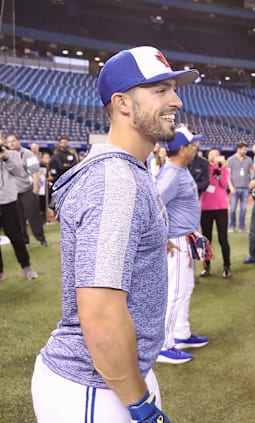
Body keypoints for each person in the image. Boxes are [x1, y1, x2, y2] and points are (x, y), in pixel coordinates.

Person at [31, 45, 198, 423]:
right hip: (94, 386)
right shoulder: (115, 181)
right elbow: (101, 313)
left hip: (114, 379)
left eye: (173, 88)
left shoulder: (128, 170)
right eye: (160, 90)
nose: (176, 99)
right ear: (122, 103)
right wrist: (140, 404)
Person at [155, 126, 210, 364]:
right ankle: (163, 346)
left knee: (185, 289)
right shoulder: (171, 174)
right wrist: (163, 238)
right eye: (192, 145)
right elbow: (152, 205)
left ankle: (181, 333)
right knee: (174, 293)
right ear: (183, 148)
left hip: (185, 237)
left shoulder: (180, 169)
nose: (196, 148)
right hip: (175, 241)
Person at [0, 137, 39, 281]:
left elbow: (20, 173)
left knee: (16, 237)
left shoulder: (13, 155)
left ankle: (26, 266)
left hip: (8, 202)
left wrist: (6, 158)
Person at [6, 133, 48, 246]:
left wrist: (35, 189)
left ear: (18, 141)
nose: (11, 143)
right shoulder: (6, 155)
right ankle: (25, 241)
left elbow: (35, 172)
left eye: (13, 140)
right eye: (9, 141)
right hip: (13, 193)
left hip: (27, 190)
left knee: (33, 216)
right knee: (18, 219)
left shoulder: (27, 154)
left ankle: (41, 239)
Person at [199, 148, 232, 279]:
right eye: (211, 155)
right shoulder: (203, 169)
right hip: (206, 207)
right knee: (206, 239)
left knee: (223, 238)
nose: (214, 157)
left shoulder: (224, 170)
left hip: (221, 207)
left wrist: (222, 169)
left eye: (217, 155)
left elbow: (223, 184)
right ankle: (206, 266)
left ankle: (227, 267)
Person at [226, 141, 253, 232]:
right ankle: (232, 226)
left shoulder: (249, 160)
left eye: (246, 149)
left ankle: (242, 227)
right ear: (239, 149)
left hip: (245, 187)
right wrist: (231, 186)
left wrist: (251, 184)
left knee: (244, 209)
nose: (245, 151)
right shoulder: (230, 160)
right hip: (235, 187)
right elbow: (228, 175)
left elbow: (251, 173)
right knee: (233, 208)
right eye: (244, 149)